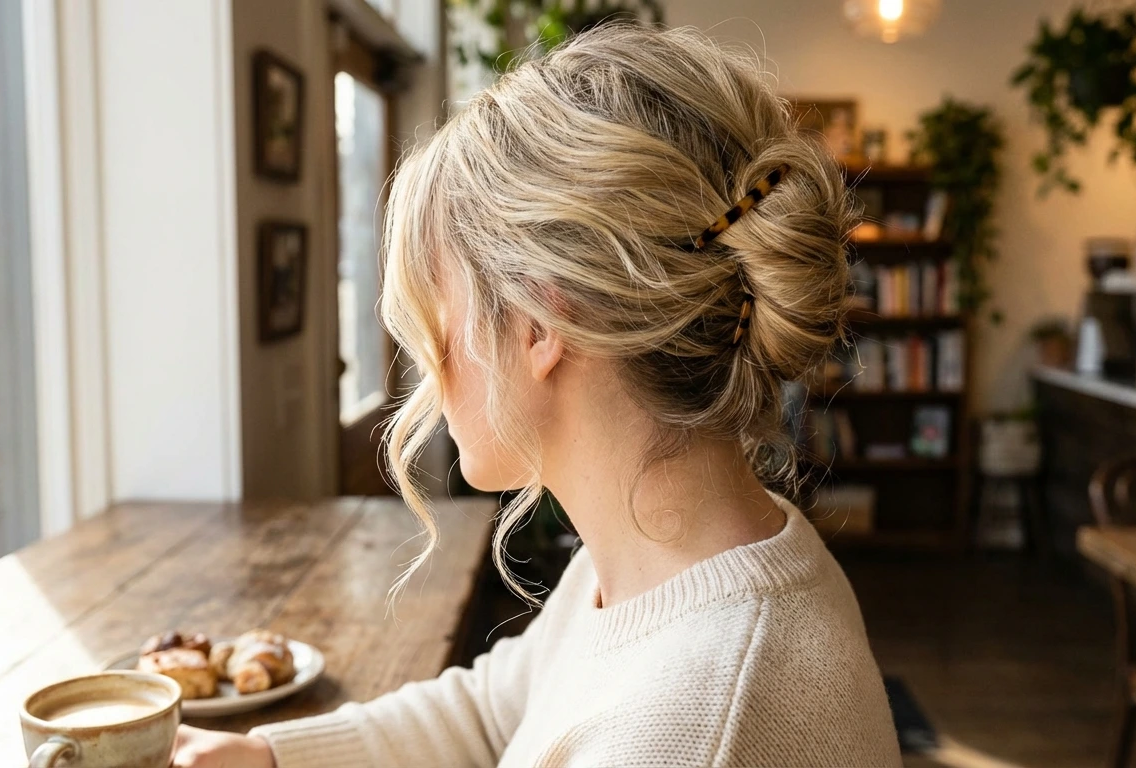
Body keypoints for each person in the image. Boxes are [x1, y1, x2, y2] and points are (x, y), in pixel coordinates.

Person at [171, 23, 901, 768]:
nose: (428, 366)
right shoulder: (660, 549)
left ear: (537, 324)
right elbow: (494, 713)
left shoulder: (687, 729)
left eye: (438, 317)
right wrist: (265, 756)